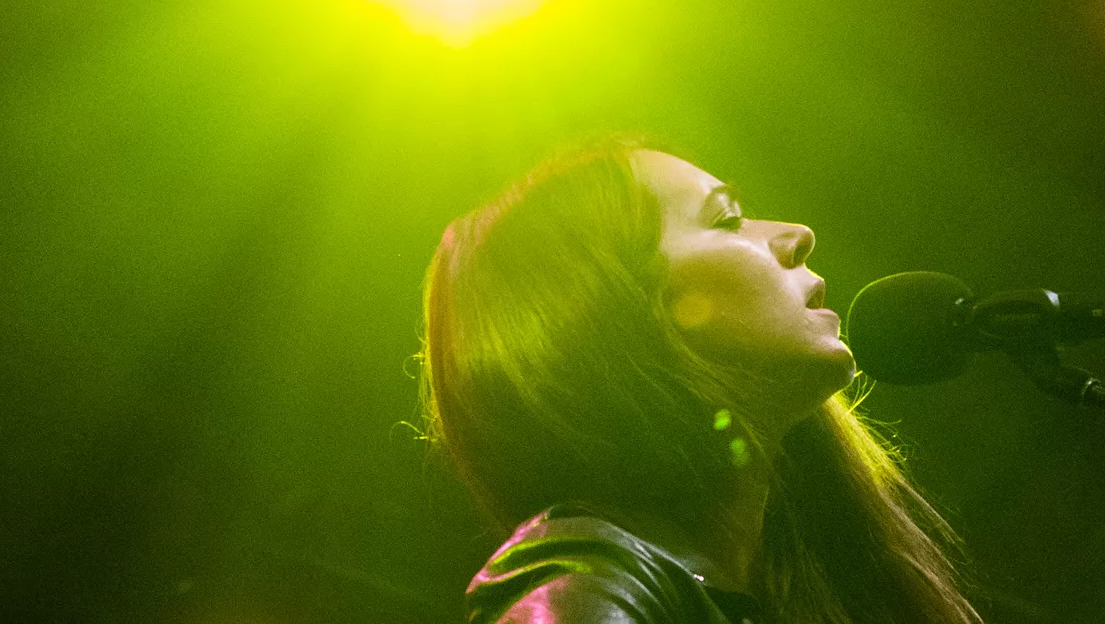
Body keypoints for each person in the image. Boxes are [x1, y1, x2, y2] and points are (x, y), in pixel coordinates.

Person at [418, 139, 981, 624]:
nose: (798, 234)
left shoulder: (790, 571)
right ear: (616, 309)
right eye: (727, 219)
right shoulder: (584, 580)